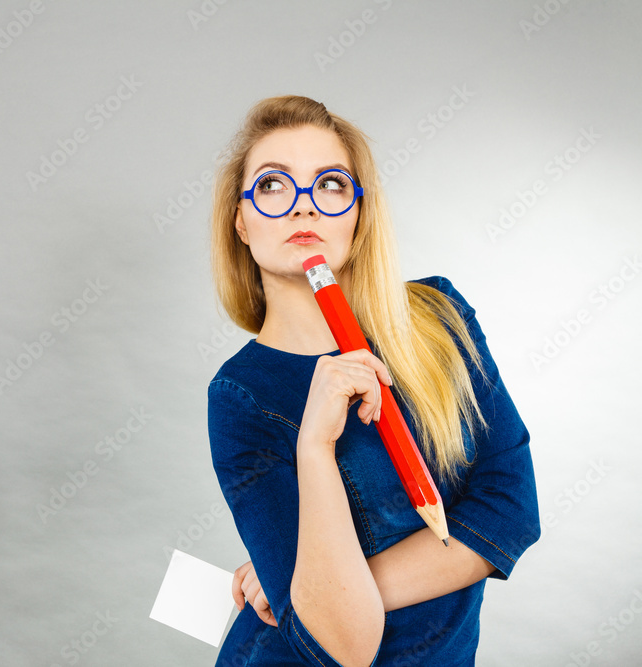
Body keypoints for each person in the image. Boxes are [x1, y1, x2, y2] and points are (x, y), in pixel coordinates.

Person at [207, 95, 540, 666]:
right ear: (240, 219)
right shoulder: (240, 395)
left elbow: (510, 513)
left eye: (331, 184)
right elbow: (342, 644)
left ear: (358, 213)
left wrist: (312, 590)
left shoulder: (438, 318)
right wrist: (314, 446)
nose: (304, 207)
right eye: (272, 185)